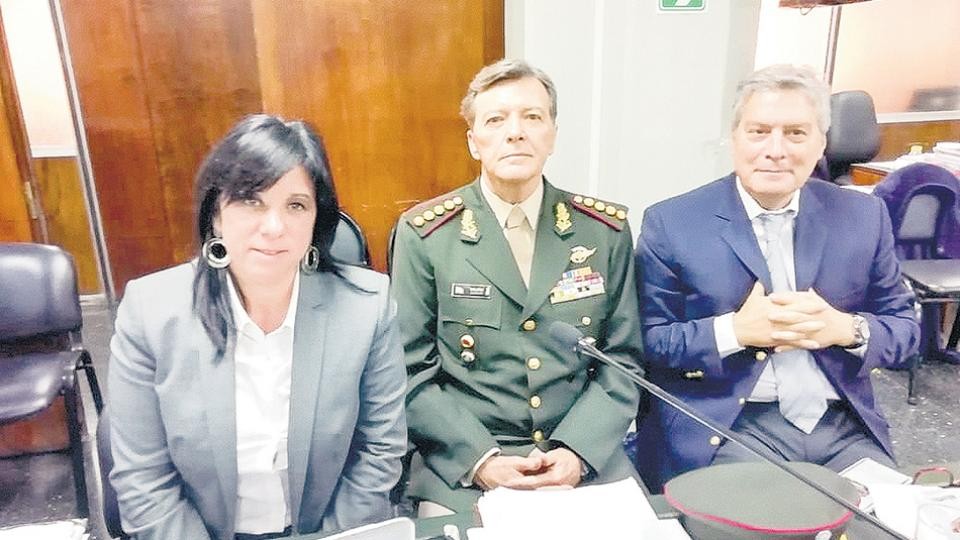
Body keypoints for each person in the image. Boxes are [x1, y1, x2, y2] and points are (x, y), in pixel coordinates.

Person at [108, 114, 407, 539]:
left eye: (296, 205)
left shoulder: (367, 307)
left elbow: (379, 452)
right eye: (251, 201)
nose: (274, 227)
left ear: (317, 220)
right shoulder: (151, 312)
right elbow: (144, 481)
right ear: (216, 214)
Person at [633, 64, 920, 491]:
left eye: (796, 133)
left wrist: (846, 329)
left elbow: (905, 329)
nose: (776, 150)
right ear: (734, 138)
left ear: (821, 142)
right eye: (759, 131)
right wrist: (735, 331)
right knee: (769, 518)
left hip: (842, 426)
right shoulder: (673, 223)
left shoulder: (863, 215)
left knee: (885, 519)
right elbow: (649, 342)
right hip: (730, 425)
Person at [390, 58, 643, 515]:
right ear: (474, 141)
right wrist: (481, 461)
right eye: (495, 120)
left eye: (532, 117)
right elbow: (409, 371)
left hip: (584, 457)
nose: (515, 132)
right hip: (466, 465)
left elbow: (623, 359)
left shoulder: (602, 232)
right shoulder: (426, 235)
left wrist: (577, 451)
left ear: (552, 134)